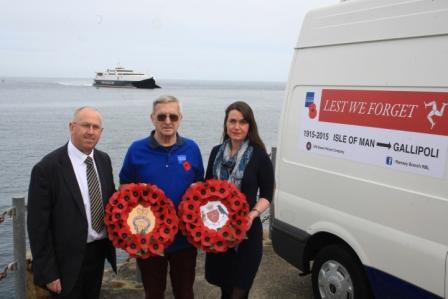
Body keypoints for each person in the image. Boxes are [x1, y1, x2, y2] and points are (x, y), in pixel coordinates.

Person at [119, 95, 204, 299]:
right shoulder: (136, 149)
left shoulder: (191, 148)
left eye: (173, 117)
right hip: (149, 238)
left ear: (180, 119)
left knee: (184, 293)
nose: (167, 121)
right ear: (152, 118)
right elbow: (123, 187)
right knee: (153, 293)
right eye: (162, 116)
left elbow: (200, 184)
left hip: (184, 240)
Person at [27, 106, 117, 298]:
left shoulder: (103, 160)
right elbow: (38, 227)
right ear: (71, 127)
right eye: (85, 125)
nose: (90, 131)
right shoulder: (47, 169)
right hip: (65, 262)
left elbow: (111, 202)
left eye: (96, 127)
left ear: (101, 132)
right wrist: (48, 273)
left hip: (98, 253)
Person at [205, 101, 274, 299]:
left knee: (240, 290)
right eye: (232, 121)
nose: (237, 127)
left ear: (249, 126)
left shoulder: (260, 156)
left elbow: (268, 194)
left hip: (247, 233)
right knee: (225, 288)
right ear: (226, 124)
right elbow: (206, 188)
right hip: (218, 231)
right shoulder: (215, 152)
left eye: (242, 122)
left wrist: (253, 214)